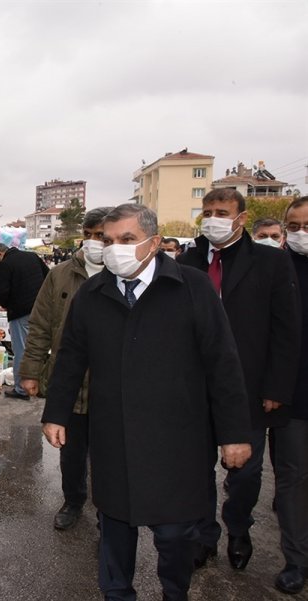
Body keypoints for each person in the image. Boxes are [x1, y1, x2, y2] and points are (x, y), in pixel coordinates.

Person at [42, 203, 252, 601]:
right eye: (108, 240)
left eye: (127, 240)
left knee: (174, 537)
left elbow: (223, 364)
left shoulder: (191, 287)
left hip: (177, 440)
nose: (114, 248)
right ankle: (117, 594)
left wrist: (235, 434)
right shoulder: (92, 293)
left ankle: (175, 592)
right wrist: (56, 414)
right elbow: (70, 357)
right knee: (114, 531)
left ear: (154, 243)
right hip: (114, 435)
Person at [178, 188, 300, 572]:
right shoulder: (188, 259)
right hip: (193, 386)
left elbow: (286, 331)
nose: (212, 217)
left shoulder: (270, 262)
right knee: (195, 468)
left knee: (244, 471)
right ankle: (203, 534)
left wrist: (277, 388)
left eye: (222, 211)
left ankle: (239, 528)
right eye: (207, 210)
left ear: (241, 218)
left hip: (248, 386)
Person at [19, 206, 113, 531]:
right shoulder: (60, 274)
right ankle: (73, 501)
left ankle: (108, 513)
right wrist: (30, 371)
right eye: (88, 235)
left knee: (108, 455)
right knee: (70, 452)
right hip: (69, 382)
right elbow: (40, 326)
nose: (93, 242)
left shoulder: (123, 275)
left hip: (110, 386)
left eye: (100, 236)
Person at [271, 197, 308, 594]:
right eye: (294, 226)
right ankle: (297, 559)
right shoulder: (279, 268)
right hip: (293, 394)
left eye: (307, 225)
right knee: (293, 478)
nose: (300, 233)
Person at [0, 240, 49, 400]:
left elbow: (2, 293)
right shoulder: (32, 256)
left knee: (22, 349)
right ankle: (41, 385)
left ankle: (21, 389)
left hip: (20, 312)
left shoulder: (6, 264)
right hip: (41, 310)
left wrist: (6, 305)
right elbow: (49, 276)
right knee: (38, 348)